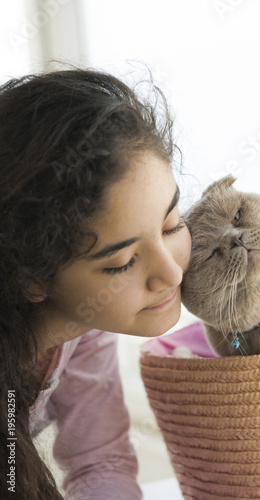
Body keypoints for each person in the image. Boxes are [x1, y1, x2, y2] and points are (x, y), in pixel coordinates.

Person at [0, 68, 192, 500]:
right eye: (122, 262)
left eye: (171, 225)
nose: (173, 274)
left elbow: (99, 461)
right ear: (32, 276)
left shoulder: (80, 328)